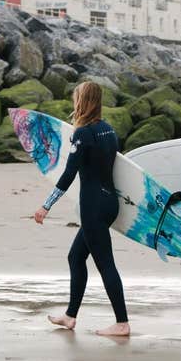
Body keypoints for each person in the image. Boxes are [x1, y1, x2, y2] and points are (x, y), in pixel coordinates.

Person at [33, 81, 130, 336]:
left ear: (82, 101)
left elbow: (68, 174)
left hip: (93, 207)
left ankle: (122, 323)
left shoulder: (83, 133)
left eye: (76, 98)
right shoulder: (109, 131)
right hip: (110, 203)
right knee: (76, 257)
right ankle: (70, 316)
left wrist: (46, 205)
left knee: (105, 263)